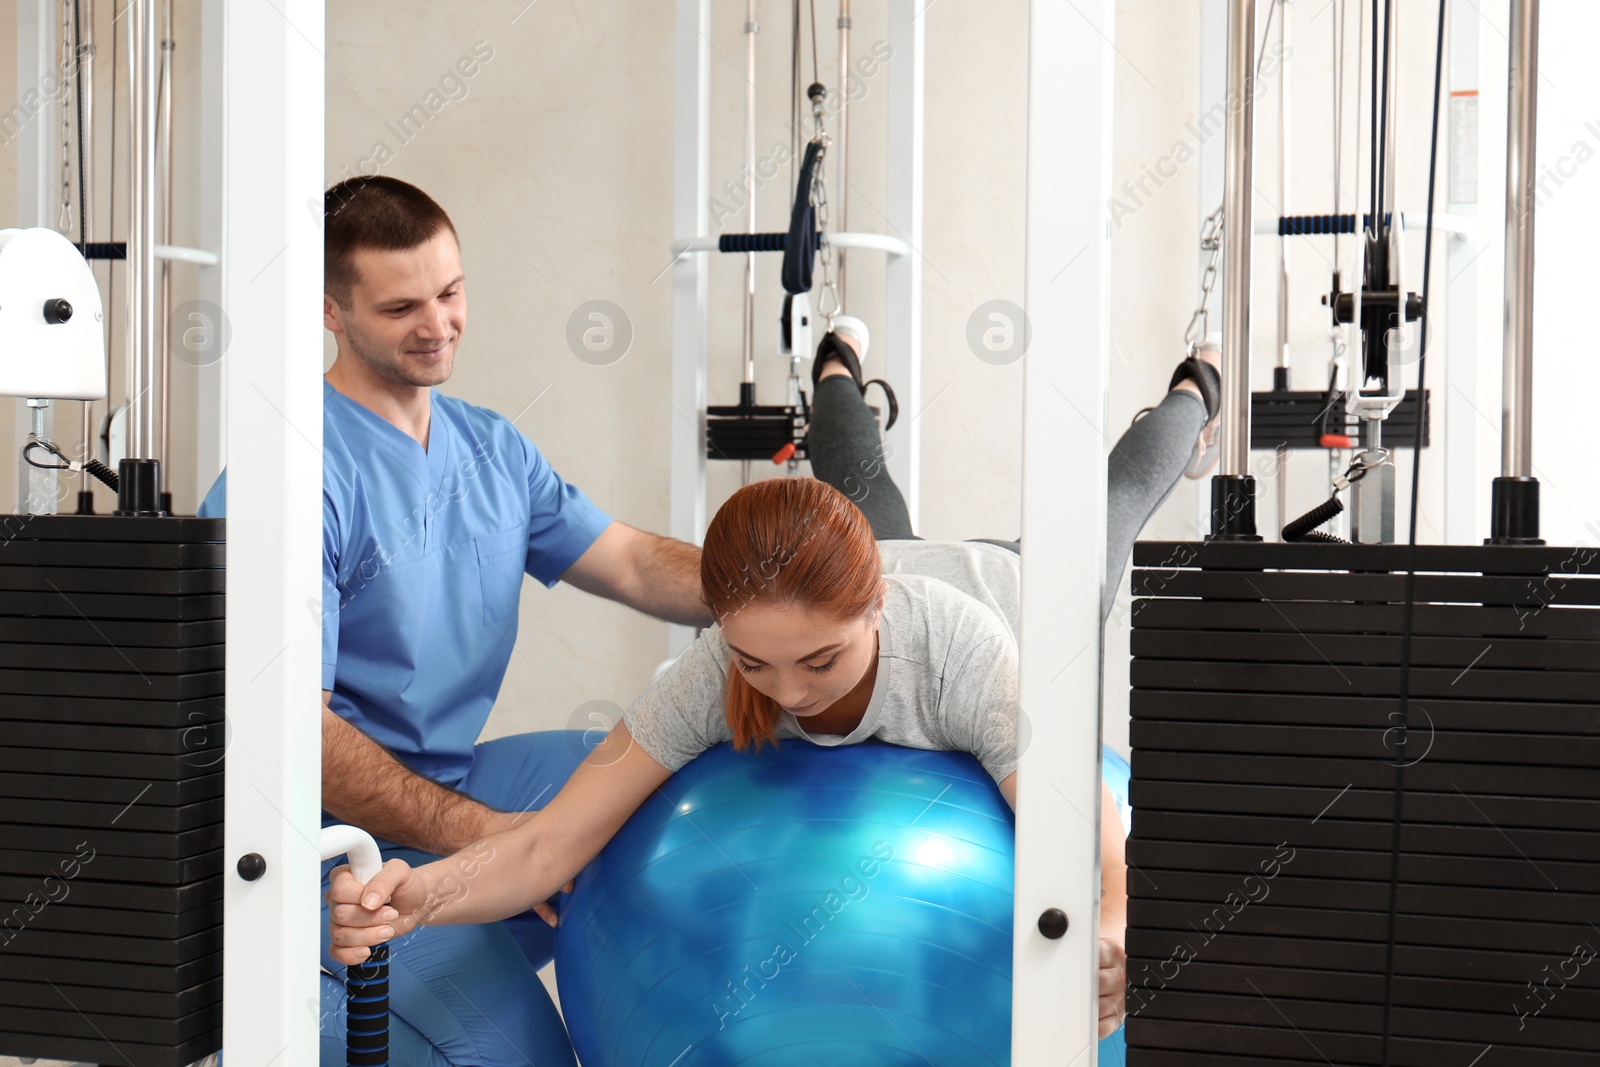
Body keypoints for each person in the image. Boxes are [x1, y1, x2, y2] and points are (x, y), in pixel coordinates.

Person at [326, 328, 1222, 1043]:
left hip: (1006, 590)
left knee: (1112, 497)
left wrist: (1114, 925)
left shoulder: (964, 654)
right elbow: (543, 850)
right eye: (756, 661)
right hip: (852, 561)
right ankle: (839, 363)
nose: (788, 691)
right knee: (852, 477)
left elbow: (1088, 836)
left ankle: (1196, 388)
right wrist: (422, 896)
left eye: (820, 663)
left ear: (873, 609)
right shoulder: (719, 668)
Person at [199, 175, 713, 1067]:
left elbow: (630, 560)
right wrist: (503, 840)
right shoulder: (294, 473)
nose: (438, 324)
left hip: (448, 774)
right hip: (316, 845)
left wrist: (778, 588)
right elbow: (296, 740)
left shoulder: (491, 448)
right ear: (330, 309)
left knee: (671, 780)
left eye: (450, 291)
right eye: (401, 306)